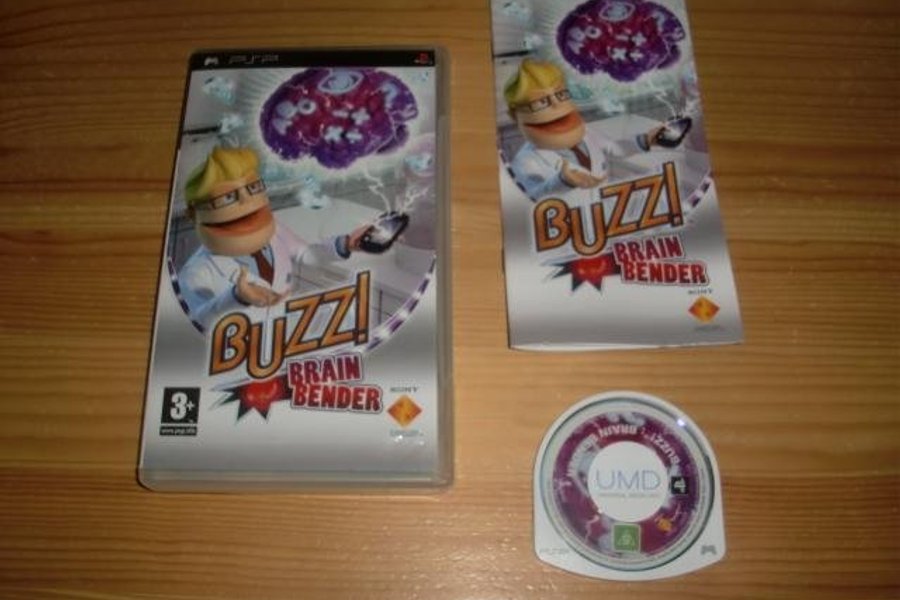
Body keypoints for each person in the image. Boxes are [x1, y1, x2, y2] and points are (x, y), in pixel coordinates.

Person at [178, 146, 370, 329]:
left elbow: (307, 254)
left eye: (253, 187)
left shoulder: (274, 230)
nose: (247, 200)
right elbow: (201, 320)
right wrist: (236, 297)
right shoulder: (196, 272)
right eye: (228, 197)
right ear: (193, 214)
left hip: (281, 334)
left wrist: (346, 244)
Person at [504, 59, 666, 200]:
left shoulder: (586, 132)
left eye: (560, 95)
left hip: (606, 206)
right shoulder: (526, 161)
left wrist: (646, 140)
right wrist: (563, 181)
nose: (557, 105)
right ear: (514, 115)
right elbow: (533, 196)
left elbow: (613, 148)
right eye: (541, 102)